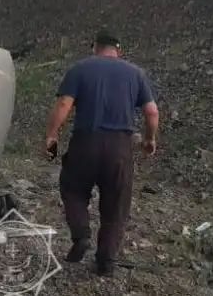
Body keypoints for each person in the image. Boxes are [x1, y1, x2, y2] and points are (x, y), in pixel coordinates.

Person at [42, 31, 159, 277]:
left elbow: (63, 104)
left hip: (85, 142)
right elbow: (152, 112)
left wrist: (51, 136)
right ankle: (106, 262)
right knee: (116, 204)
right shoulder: (135, 73)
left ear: (94, 47)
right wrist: (149, 139)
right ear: (119, 50)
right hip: (120, 148)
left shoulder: (79, 68)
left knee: (73, 189)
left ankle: (81, 236)